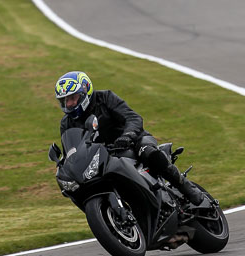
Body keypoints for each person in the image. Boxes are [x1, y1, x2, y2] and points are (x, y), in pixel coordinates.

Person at [54, 70, 205, 205]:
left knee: (148, 152)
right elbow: (72, 151)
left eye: (72, 98)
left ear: (85, 92)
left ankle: (186, 187)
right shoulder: (66, 123)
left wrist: (127, 136)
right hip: (104, 157)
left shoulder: (105, 98)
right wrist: (65, 166)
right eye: (65, 101)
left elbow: (133, 118)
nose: (69, 104)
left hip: (133, 142)